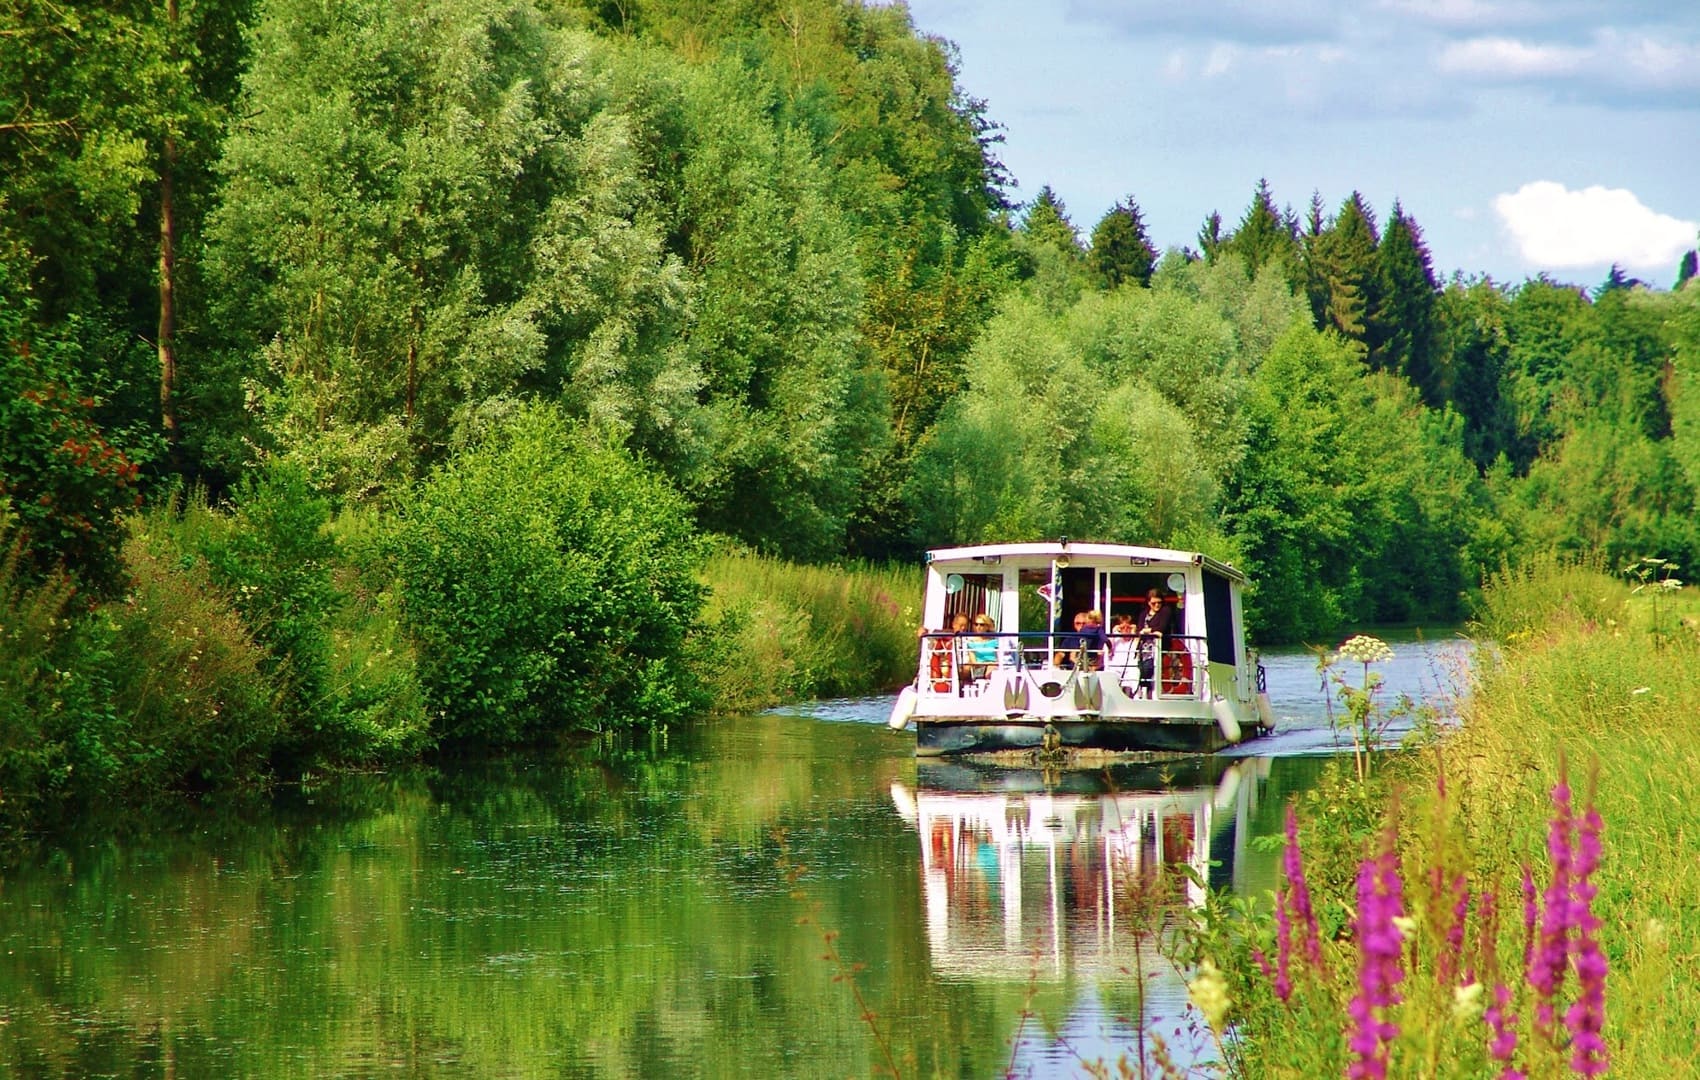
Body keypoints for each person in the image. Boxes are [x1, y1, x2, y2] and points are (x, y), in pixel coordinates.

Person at [1135, 590, 1174, 695]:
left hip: (1158, 648)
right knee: (1140, 670)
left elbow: (1162, 627)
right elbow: (1139, 629)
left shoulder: (1165, 611)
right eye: (1153, 603)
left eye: (1159, 602)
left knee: (1148, 670)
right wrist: (1152, 631)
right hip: (1143, 649)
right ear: (1148, 603)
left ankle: (1147, 694)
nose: (1157, 605)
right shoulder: (1144, 613)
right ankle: (1143, 694)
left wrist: (1148, 630)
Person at [963, 613, 998, 680]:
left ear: (987, 627)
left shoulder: (995, 641)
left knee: (994, 671)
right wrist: (988, 663)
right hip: (979, 668)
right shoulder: (971, 643)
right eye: (976, 624)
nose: (978, 627)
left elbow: (998, 658)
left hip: (993, 666)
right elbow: (974, 662)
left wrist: (992, 664)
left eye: (981, 625)